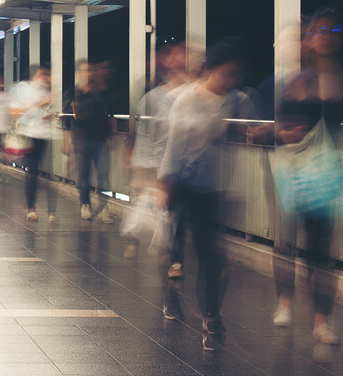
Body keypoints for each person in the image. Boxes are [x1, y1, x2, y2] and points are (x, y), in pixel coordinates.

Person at [158, 39, 257, 351]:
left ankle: (209, 311)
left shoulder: (237, 99)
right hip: (188, 185)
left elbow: (248, 128)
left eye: (235, 75)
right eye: (226, 74)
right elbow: (174, 147)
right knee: (197, 250)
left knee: (211, 254)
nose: (231, 81)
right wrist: (167, 185)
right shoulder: (186, 100)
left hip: (219, 186)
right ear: (211, 70)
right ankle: (205, 311)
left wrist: (254, 132)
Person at [272, 10, 343, 345]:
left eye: (333, 29)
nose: (326, 35)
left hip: (332, 177)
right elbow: (279, 127)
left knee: (321, 249)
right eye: (319, 30)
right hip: (297, 174)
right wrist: (286, 133)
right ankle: (286, 301)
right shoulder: (296, 80)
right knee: (290, 242)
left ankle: (321, 321)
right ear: (309, 36)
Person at [126, 42, 190, 260]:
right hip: (163, 163)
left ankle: (172, 254)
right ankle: (174, 256)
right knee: (171, 210)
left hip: (185, 164)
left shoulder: (194, 93)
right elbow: (144, 134)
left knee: (175, 211)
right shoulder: (153, 98)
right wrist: (143, 166)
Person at [67, 60, 115, 221]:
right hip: (82, 140)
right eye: (85, 70)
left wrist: (111, 135)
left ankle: (103, 208)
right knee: (84, 175)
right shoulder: (74, 92)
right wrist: (67, 141)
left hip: (101, 139)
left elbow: (108, 114)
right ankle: (85, 205)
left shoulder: (99, 91)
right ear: (77, 74)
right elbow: (70, 118)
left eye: (91, 70)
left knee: (103, 175)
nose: (89, 73)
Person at [11, 65, 59, 223]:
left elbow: (44, 113)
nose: (45, 78)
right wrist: (39, 103)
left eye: (47, 75)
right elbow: (16, 113)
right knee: (32, 172)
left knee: (49, 175)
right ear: (34, 76)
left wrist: (48, 115)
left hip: (44, 135)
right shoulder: (23, 89)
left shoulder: (46, 91)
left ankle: (51, 212)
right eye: (42, 75)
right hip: (29, 135)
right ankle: (31, 208)